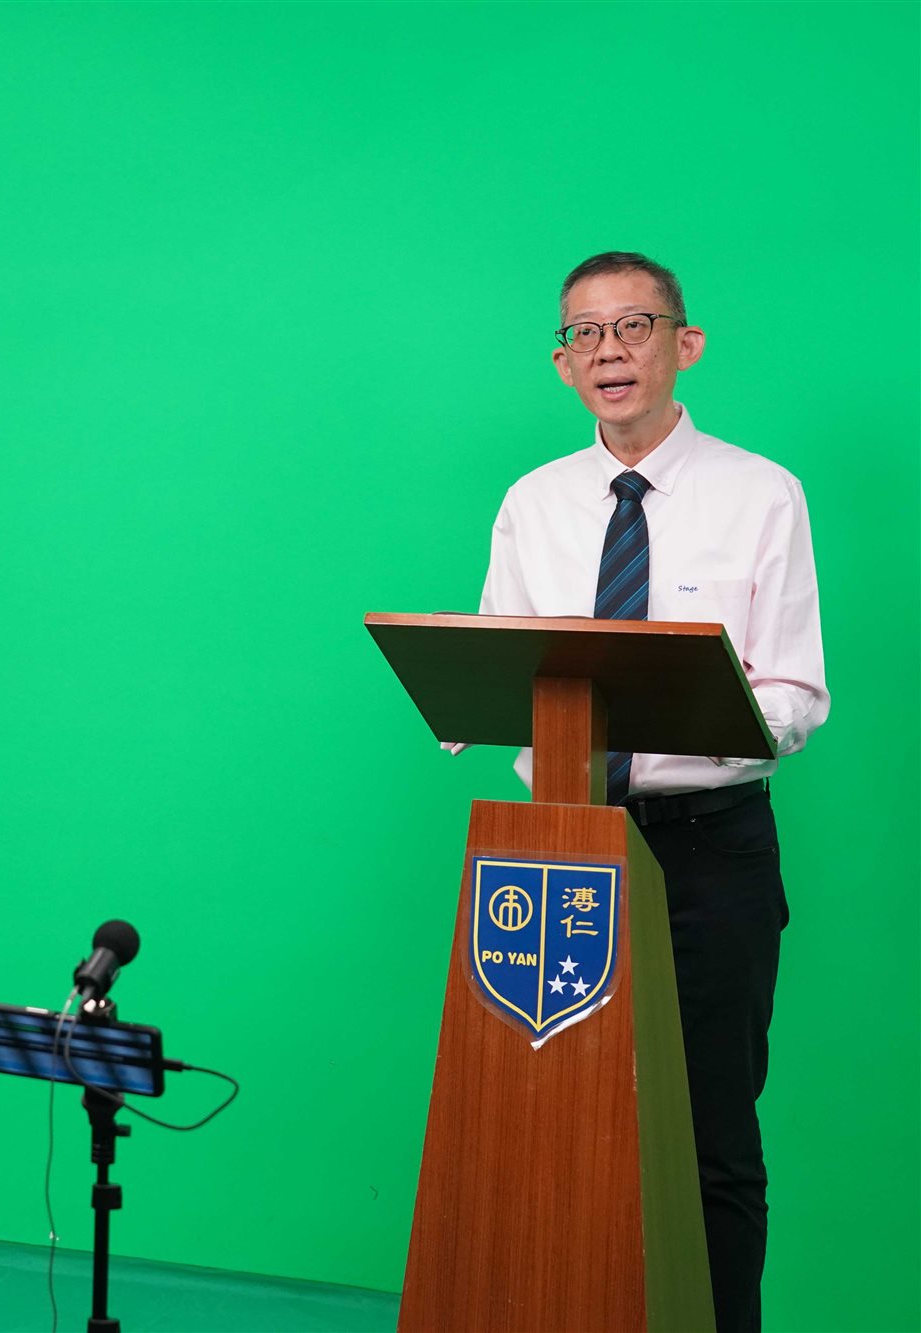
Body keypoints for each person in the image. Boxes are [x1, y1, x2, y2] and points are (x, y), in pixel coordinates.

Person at [468, 251, 829, 1331]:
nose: (608, 350)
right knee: (551, 1125)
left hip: (708, 854)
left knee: (710, 1137)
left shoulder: (760, 493)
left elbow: (795, 692)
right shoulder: (533, 503)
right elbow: (497, 665)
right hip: (560, 850)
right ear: (561, 363)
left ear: (685, 344)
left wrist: (697, 706)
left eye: (633, 325)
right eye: (584, 333)